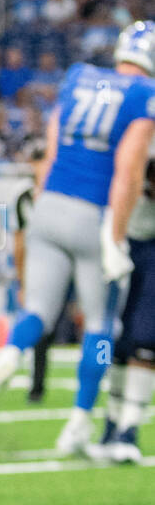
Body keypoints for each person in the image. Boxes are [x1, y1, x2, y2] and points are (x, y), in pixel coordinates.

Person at [0, 21, 155, 455]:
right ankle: (79, 423)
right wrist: (115, 236)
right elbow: (127, 172)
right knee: (103, 325)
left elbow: (50, 155)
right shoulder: (143, 96)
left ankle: (10, 355)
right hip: (93, 214)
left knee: (39, 312)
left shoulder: (80, 77)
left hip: (50, 207)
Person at [93, 138, 155, 463]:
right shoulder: (130, 129)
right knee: (116, 340)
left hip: (150, 244)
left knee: (145, 339)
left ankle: (129, 428)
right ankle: (112, 421)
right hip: (118, 238)